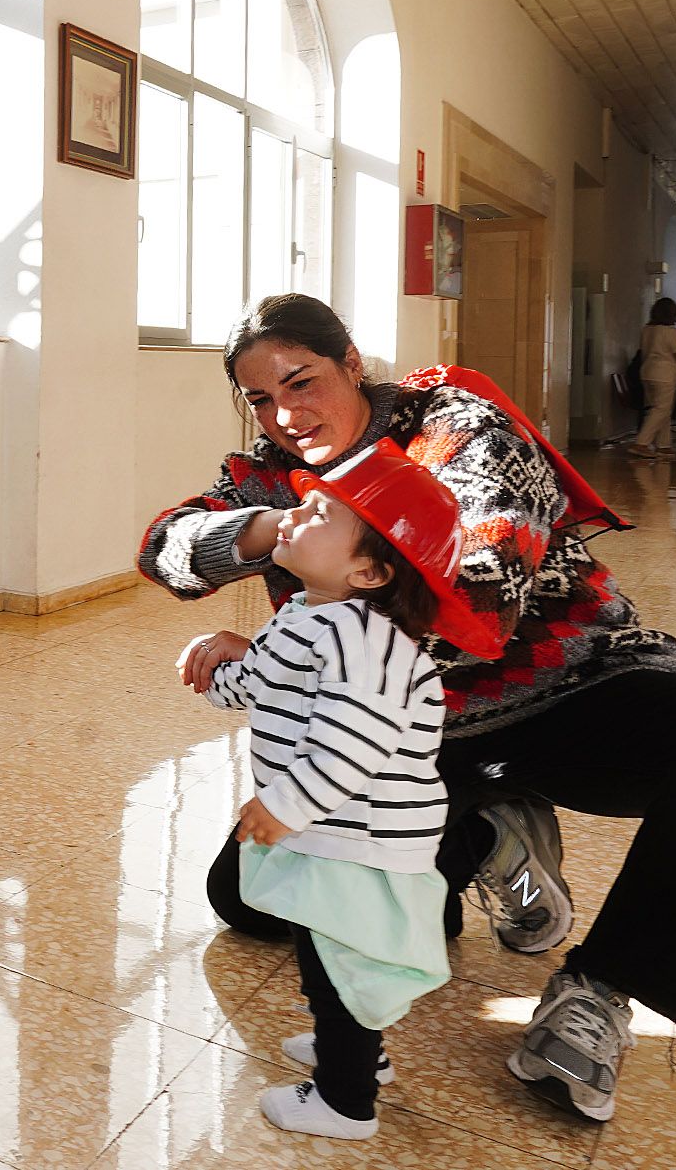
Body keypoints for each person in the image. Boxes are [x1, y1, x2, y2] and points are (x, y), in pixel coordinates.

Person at [140, 294, 676, 1123]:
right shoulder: (270, 473)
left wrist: (288, 653)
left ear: (352, 363)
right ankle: (485, 828)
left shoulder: (457, 423)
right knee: (251, 901)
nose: (286, 413)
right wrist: (263, 525)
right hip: (403, 742)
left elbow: (485, 589)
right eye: (259, 397)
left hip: (564, 692)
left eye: (302, 381)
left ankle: (599, 990)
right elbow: (164, 550)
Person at [176, 439, 474, 1141]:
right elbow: (263, 681)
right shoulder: (310, 614)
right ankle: (357, 1053)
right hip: (331, 828)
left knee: (339, 957)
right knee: (323, 946)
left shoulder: (364, 638)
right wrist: (215, 673)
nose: (293, 516)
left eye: (318, 514)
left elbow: (354, 741)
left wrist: (283, 804)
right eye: (304, 504)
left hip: (361, 834)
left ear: (368, 569)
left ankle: (344, 1099)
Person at [628, 297, 676, 458]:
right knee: (661, 410)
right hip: (665, 374)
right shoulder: (671, 332)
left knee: (661, 409)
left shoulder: (647, 330)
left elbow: (643, 351)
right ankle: (641, 442)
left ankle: (663, 445)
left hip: (647, 372)